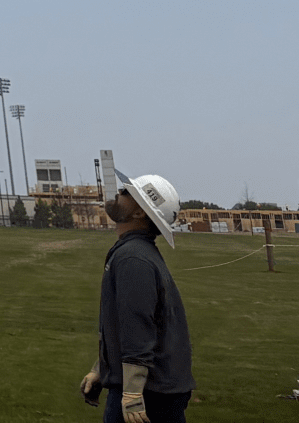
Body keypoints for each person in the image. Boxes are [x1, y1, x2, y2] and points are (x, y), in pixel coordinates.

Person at [81, 173, 194, 423]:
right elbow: (123, 326)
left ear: (139, 213)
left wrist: (132, 391)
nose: (119, 194)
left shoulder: (133, 258)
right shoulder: (135, 252)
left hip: (150, 394)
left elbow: (138, 326)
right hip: (154, 388)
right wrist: (101, 369)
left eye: (127, 192)